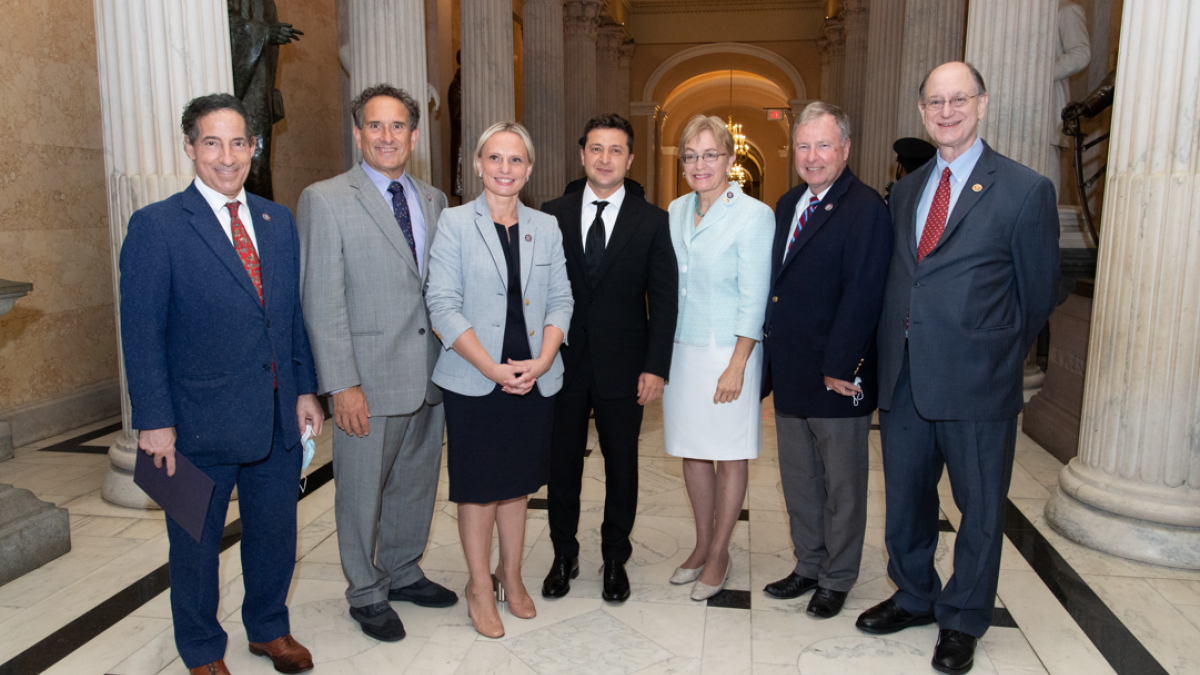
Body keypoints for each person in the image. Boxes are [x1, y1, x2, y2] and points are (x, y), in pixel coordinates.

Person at [856, 62, 1059, 675]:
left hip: (977, 380)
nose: (947, 112)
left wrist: (990, 350)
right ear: (921, 111)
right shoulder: (910, 189)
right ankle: (915, 594)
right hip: (906, 377)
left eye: (958, 100)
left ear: (982, 103)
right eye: (935, 102)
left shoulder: (1025, 190)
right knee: (907, 502)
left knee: (979, 508)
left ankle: (964, 616)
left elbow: (1038, 293)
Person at [120, 93, 323, 675]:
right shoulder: (156, 226)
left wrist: (306, 390)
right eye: (212, 142)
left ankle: (268, 627)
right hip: (194, 425)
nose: (226, 156)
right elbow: (141, 334)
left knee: (275, 533)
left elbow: (288, 318)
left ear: (254, 149)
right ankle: (202, 648)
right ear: (189, 148)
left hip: (276, 417)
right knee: (193, 545)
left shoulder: (275, 220)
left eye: (238, 142)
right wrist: (154, 423)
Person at [296, 84, 457, 643]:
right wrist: (341, 384)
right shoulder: (326, 199)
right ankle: (365, 590)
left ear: (414, 135)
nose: (386, 136)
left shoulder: (435, 200)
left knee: (414, 485)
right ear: (357, 132)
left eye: (397, 127)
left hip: (428, 376)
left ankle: (404, 570)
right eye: (374, 126)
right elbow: (321, 299)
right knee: (361, 493)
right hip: (366, 378)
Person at [426, 122, 573, 638]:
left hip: (535, 375)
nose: (505, 169)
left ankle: (510, 575)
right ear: (478, 164)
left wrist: (542, 359)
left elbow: (561, 299)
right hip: (474, 377)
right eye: (495, 158)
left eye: (515, 160)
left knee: (517, 487)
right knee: (479, 489)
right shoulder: (454, 223)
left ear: (529, 168)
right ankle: (479, 586)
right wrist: (491, 367)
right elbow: (441, 304)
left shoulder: (545, 226)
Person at [760, 102, 892, 618]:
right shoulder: (788, 203)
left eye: (822, 145)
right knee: (799, 479)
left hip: (837, 374)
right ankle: (808, 565)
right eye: (803, 146)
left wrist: (842, 367)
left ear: (845, 148)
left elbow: (864, 294)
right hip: (793, 369)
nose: (812, 156)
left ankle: (837, 577)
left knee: (843, 484)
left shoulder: (865, 209)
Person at [539, 114, 678, 603]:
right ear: (582, 155)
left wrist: (656, 365)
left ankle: (615, 557)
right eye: (596, 149)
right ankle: (564, 554)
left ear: (630, 158)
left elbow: (664, 301)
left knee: (622, 465)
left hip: (626, 365)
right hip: (562, 361)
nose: (604, 159)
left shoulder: (652, 220)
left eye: (615, 150)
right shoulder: (549, 214)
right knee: (562, 466)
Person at [663, 115, 774, 601]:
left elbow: (755, 295)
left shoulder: (754, 215)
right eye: (691, 155)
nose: (699, 164)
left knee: (729, 452)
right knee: (692, 450)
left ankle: (722, 550)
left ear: (731, 160)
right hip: (682, 350)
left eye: (710, 154)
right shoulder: (673, 210)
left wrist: (738, 363)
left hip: (731, 351)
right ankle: (702, 543)